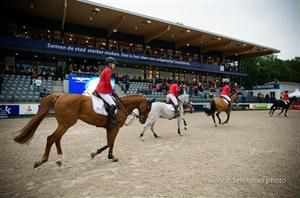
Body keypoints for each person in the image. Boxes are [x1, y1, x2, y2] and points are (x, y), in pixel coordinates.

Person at [94, 57, 118, 125]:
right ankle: (110, 121)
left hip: (101, 89)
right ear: (110, 64)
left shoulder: (105, 69)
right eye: (113, 64)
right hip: (102, 90)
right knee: (113, 104)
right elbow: (108, 82)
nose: (114, 65)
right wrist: (112, 91)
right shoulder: (108, 70)